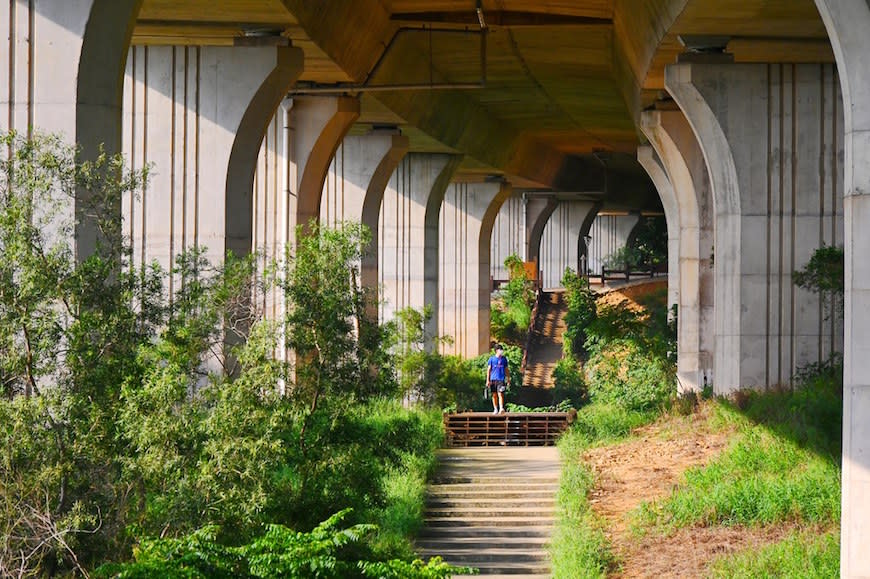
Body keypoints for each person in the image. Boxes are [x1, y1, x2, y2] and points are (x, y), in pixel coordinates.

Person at [486, 345, 510, 414]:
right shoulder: (491, 359)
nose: (501, 351)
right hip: (493, 379)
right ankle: (495, 408)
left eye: (502, 349)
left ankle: (501, 408)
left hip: (501, 379)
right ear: (496, 350)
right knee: (494, 395)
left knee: (501, 394)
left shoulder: (504, 359)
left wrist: (508, 378)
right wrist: (487, 380)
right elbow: (489, 370)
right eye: (500, 349)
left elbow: (506, 369)